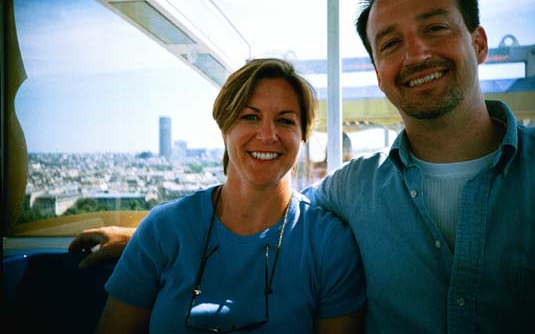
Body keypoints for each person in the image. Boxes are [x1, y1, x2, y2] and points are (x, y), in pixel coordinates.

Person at [71, 0, 535, 333]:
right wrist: (146, 237)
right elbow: (254, 216)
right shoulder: (352, 190)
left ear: (479, 42)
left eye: (435, 28)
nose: (416, 54)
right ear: (379, 71)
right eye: (390, 43)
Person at [80, 58, 366, 334]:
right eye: (250, 117)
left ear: (302, 135)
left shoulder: (329, 244)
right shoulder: (163, 229)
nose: (267, 135)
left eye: (285, 121)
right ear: (224, 129)